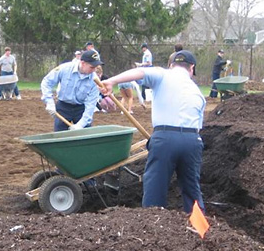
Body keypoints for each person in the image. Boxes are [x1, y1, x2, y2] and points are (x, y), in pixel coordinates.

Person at [100, 50, 205, 213]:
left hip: (165, 138)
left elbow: (139, 72)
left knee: (155, 187)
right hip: (193, 140)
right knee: (192, 190)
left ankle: (153, 226)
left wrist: (112, 81)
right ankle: (199, 230)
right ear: (192, 68)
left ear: (171, 65)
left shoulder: (162, 74)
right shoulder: (196, 91)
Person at [41, 49, 103, 132]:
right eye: (92, 67)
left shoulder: (95, 80)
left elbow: (90, 106)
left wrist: (81, 125)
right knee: (60, 136)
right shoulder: (65, 69)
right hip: (63, 107)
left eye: (95, 67)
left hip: (81, 108)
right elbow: (47, 82)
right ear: (82, 63)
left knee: (85, 136)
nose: (94, 70)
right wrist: (49, 102)